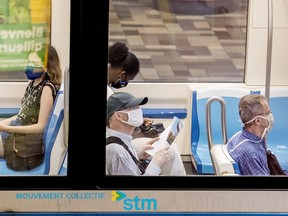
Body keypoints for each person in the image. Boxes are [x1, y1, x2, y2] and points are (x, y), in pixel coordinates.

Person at [0, 44, 62, 158]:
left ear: (47, 65)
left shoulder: (47, 88)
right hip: (17, 131)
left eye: (35, 63)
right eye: (29, 62)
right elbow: (22, 115)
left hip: (27, 140)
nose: (30, 66)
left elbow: (40, 126)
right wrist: (2, 124)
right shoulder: (32, 84)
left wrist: (7, 128)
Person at [106, 92, 171, 175]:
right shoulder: (116, 151)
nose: (139, 109)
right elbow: (134, 188)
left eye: (138, 106)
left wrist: (138, 156)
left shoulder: (120, 139)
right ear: (119, 115)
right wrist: (156, 164)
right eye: (133, 107)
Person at [227, 94, 286, 176]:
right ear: (258, 120)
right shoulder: (250, 154)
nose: (271, 116)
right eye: (268, 112)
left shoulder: (247, 138)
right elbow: (264, 188)